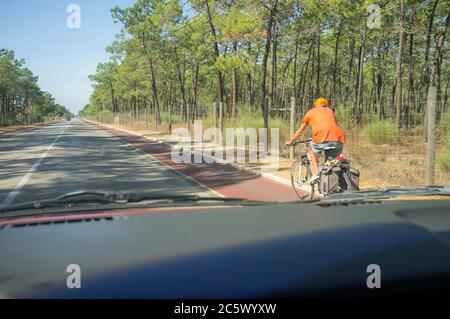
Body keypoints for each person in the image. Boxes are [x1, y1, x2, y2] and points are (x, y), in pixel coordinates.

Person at [285, 98, 346, 184]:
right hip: (339, 139)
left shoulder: (311, 112)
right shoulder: (330, 111)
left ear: (315, 105)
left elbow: (300, 130)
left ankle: (316, 173)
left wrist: (291, 141)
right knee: (330, 165)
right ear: (325, 105)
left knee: (310, 148)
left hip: (322, 138)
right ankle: (332, 183)